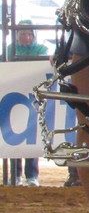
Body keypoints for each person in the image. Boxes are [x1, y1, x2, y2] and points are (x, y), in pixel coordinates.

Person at [6, 20, 49, 186]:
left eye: (29, 33)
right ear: (18, 36)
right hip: (14, 96)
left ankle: (31, 175)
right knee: (13, 134)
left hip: (32, 97)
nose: (26, 37)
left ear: (34, 35)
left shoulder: (41, 49)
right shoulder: (10, 49)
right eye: (23, 33)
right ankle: (15, 175)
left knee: (32, 133)